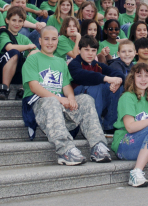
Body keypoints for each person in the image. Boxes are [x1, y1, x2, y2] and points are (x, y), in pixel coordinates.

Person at [21, 26, 112, 165]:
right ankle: (65, 150)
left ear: (58, 41)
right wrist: (60, 99)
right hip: (40, 104)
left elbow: (66, 86)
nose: (50, 42)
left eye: (53, 39)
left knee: (86, 99)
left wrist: (70, 98)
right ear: (40, 41)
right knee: (51, 100)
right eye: (46, 39)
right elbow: (34, 87)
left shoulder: (60, 62)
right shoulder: (33, 59)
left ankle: (97, 146)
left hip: (60, 104)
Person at [68, 35, 124, 132]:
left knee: (115, 87)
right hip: (78, 99)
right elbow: (84, 75)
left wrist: (118, 80)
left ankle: (110, 125)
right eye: (86, 50)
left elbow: (116, 73)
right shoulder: (74, 63)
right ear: (79, 49)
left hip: (97, 98)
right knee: (97, 86)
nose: (90, 53)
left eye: (93, 50)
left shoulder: (98, 65)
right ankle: (94, 126)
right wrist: (106, 78)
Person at [0, 6, 36, 100]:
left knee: (34, 55)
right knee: (14, 52)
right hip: (1, 71)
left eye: (20, 21)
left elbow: (36, 52)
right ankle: (4, 89)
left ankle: (23, 88)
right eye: (14, 20)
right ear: (7, 20)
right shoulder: (3, 34)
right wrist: (27, 47)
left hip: (17, 73)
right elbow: (9, 47)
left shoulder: (23, 38)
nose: (17, 24)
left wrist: (31, 53)